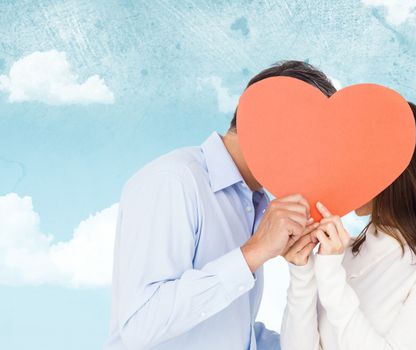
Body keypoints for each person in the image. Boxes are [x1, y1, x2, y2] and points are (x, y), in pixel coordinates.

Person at [104, 61, 337, 350]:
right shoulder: (172, 181)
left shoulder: (254, 203)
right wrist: (253, 252)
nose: (315, 161)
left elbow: (227, 332)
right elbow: (140, 325)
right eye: (314, 141)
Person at [281, 102, 416, 350]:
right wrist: (302, 272)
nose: (340, 170)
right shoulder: (342, 252)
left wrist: (331, 276)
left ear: (393, 169)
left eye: (353, 157)